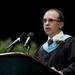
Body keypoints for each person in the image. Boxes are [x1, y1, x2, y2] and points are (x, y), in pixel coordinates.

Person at [34, 8, 75, 75]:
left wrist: (61, 73)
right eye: (44, 21)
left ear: (61, 24)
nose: (47, 23)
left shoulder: (70, 42)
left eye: (51, 20)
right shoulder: (40, 50)